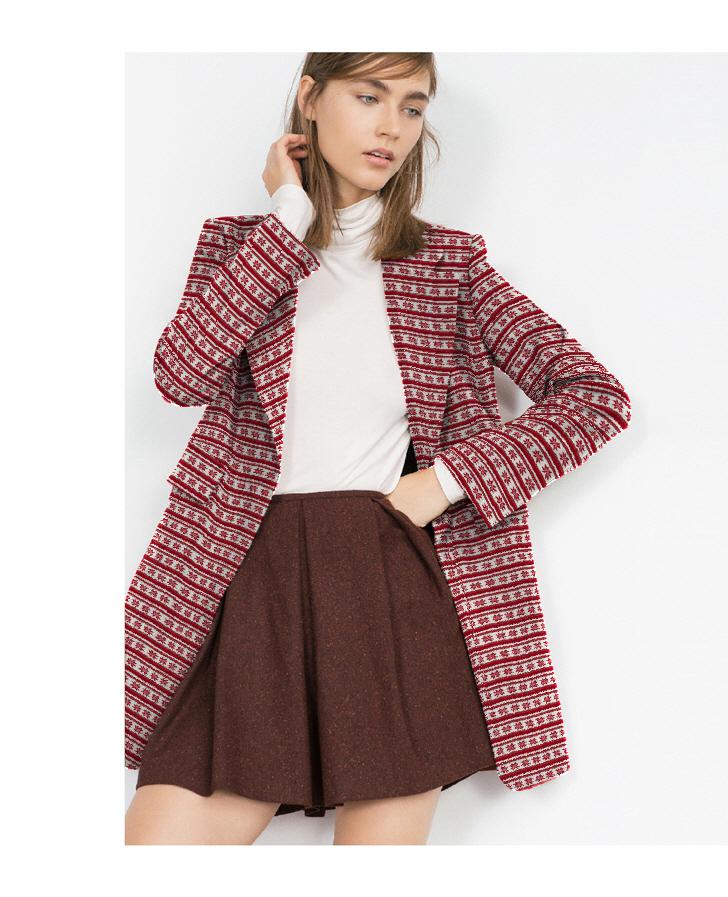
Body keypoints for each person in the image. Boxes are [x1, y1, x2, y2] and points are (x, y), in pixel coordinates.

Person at [124, 52, 632, 845]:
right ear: (310, 98)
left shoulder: (450, 267)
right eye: (369, 96)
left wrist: (449, 480)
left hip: (389, 580)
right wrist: (287, 217)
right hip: (250, 579)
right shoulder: (239, 249)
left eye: (413, 106)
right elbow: (180, 374)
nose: (392, 126)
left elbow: (595, 395)